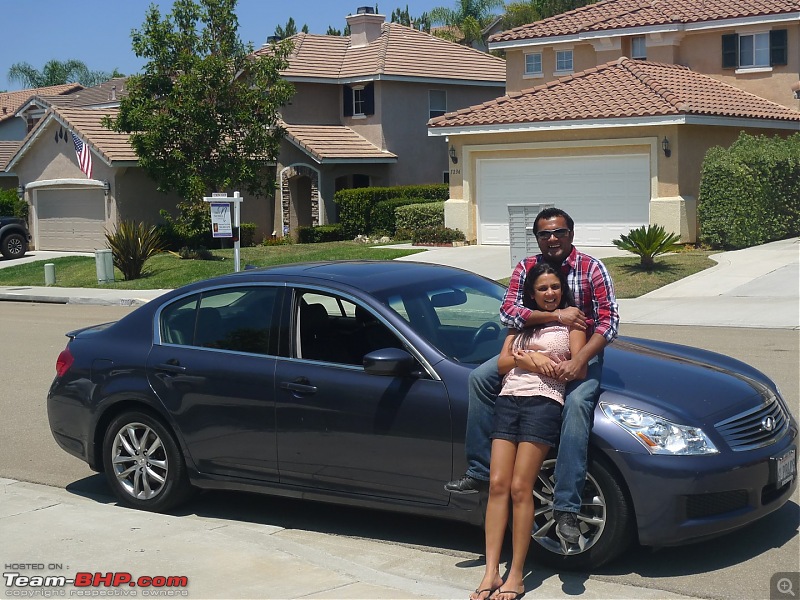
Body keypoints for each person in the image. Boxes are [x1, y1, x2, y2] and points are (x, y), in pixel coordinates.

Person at [446, 207, 619, 545]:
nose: (552, 239)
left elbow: (608, 322)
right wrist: (556, 316)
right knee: (479, 379)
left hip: (580, 353)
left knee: (577, 405)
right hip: (529, 348)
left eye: (559, 232)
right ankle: (481, 471)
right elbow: (509, 311)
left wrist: (578, 360)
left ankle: (567, 507)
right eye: (544, 234)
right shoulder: (526, 267)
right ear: (537, 237)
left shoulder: (592, 268)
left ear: (571, 233)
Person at [470, 263, 586, 600]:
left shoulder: (572, 323)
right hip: (508, 401)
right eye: (542, 289)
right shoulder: (521, 323)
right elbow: (503, 363)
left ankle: (516, 575)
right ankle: (491, 571)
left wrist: (543, 362)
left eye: (554, 287)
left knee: (521, 488)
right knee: (497, 485)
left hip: (543, 403)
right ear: (531, 294)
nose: (550, 293)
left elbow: (577, 368)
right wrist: (528, 360)